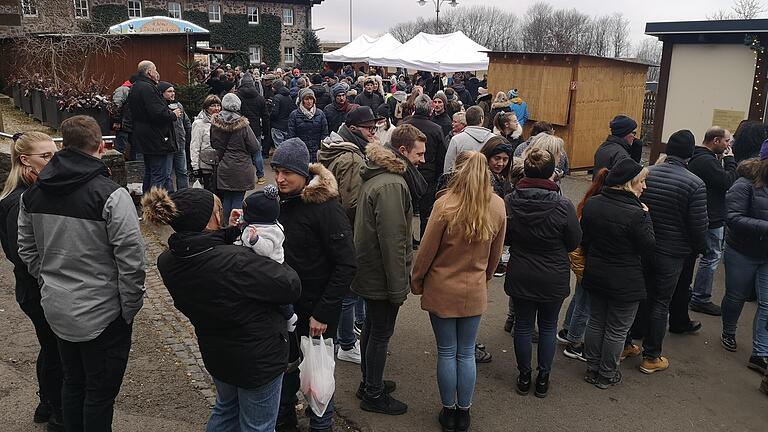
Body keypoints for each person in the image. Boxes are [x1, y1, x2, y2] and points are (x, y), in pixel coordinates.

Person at [17, 115, 146, 432]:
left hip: (58, 308)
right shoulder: (112, 196)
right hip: (104, 312)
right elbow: (132, 261)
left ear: (64, 145)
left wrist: (49, 280)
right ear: (101, 146)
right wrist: (128, 307)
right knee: (99, 394)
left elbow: (27, 249)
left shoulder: (33, 194)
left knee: (73, 383)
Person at [144, 187, 301, 432]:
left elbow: (207, 250)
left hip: (217, 352)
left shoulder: (169, 261)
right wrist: (269, 249)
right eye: (219, 210)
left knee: (227, 409)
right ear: (212, 218)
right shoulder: (236, 261)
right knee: (257, 426)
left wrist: (232, 233)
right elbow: (290, 284)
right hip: (257, 358)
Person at [411, 151, 506, 432]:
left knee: (447, 351)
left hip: (442, 286)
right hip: (474, 287)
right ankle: (464, 412)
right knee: (466, 353)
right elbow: (496, 255)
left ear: (457, 171)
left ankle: (448, 409)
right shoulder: (498, 206)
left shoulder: (445, 204)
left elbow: (426, 251)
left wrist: (417, 281)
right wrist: (483, 279)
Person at [270, 139, 357, 432]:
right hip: (284, 308)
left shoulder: (326, 208)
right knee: (285, 370)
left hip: (315, 310)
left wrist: (324, 311)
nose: (280, 178)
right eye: (276, 171)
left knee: (319, 376)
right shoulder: (278, 202)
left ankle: (321, 425)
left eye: (287, 173)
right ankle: (285, 420)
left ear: (304, 175)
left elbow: (346, 264)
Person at [352, 126, 427, 415]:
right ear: (404, 151)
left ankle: (369, 382)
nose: (422, 159)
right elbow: (394, 240)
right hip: (381, 274)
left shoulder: (380, 176)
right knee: (380, 332)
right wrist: (398, 288)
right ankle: (373, 393)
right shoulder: (392, 184)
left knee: (372, 328)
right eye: (419, 154)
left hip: (371, 269)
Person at [505, 148, 582, 398]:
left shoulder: (511, 200)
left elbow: (505, 237)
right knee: (548, 326)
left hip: (521, 270)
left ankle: (524, 375)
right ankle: (543, 377)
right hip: (553, 273)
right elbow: (573, 241)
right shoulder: (563, 205)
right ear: (551, 174)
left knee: (524, 325)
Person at [0, 132, 64, 430]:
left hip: (36, 286)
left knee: (50, 347)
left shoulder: (28, 194)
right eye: (46, 156)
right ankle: (54, 409)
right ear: (26, 161)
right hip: (36, 288)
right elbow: (22, 254)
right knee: (55, 349)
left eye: (55, 154)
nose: (54, 161)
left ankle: (46, 403)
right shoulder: (20, 201)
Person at [317, 106, 383, 364]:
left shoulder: (334, 146)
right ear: (355, 129)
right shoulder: (352, 158)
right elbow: (352, 203)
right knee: (348, 291)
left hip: (333, 226)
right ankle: (347, 342)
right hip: (347, 230)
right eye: (370, 129)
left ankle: (349, 334)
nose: (373, 133)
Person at [639, 129, 707, 373]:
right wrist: (702, 249)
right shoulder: (695, 183)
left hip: (645, 245)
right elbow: (699, 226)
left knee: (640, 293)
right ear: (690, 154)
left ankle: (628, 341)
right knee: (661, 301)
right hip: (673, 251)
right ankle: (651, 356)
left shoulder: (648, 174)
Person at [581, 159, 654, 389]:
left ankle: (592, 368)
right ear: (628, 183)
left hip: (596, 272)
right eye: (641, 182)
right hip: (625, 280)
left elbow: (585, 241)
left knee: (595, 322)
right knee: (617, 329)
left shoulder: (592, 204)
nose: (644, 187)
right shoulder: (637, 214)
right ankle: (606, 373)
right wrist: (647, 215)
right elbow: (649, 247)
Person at [720, 142, 768, 375]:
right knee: (735, 296)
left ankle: (760, 353)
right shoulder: (744, 184)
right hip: (741, 251)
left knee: (767, 304)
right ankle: (728, 332)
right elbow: (733, 217)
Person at [687, 127, 737, 316]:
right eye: (726, 141)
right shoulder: (707, 161)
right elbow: (728, 182)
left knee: (698, 255)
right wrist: (730, 160)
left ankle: (691, 291)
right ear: (716, 140)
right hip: (711, 216)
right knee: (711, 256)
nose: (728, 146)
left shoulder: (698, 157)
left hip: (703, 214)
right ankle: (700, 297)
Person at [128, 60, 181, 192]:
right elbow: (156, 112)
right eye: (155, 69)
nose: (157, 73)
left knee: (150, 173)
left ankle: (147, 203)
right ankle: (154, 205)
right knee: (159, 174)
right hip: (155, 137)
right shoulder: (148, 88)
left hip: (144, 135)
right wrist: (172, 114)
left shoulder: (135, 86)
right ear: (149, 72)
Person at [402, 94, 446, 242]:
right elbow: (441, 156)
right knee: (426, 213)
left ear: (414, 107)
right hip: (428, 176)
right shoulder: (436, 129)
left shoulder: (405, 126)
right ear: (430, 110)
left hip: (406, 173)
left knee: (406, 209)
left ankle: (409, 240)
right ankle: (424, 240)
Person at [210, 93, 260, 219]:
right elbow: (254, 146)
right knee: (238, 198)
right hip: (241, 167)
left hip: (223, 165)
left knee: (227, 198)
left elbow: (214, 143)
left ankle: (226, 225)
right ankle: (235, 227)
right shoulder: (243, 125)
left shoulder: (215, 124)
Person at [480, 136, 515, 277]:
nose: (501, 163)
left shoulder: (501, 178)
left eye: (505, 159)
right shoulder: (484, 179)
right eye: (497, 158)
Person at [158, 81, 191, 191]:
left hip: (180, 143)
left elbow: (186, 122)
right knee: (167, 174)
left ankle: (184, 193)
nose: (172, 94)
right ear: (162, 93)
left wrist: (187, 135)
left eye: (173, 91)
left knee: (182, 171)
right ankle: (171, 195)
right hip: (168, 145)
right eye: (169, 91)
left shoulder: (178, 105)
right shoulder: (161, 107)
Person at [237, 73, 269, 185]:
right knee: (257, 153)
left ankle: (245, 177)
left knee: (243, 154)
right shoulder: (260, 98)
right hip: (255, 129)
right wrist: (266, 131)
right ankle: (260, 176)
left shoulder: (237, 97)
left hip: (240, 128)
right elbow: (265, 116)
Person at [443, 106, 494, 175]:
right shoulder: (493, 139)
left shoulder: (456, 140)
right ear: (482, 119)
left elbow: (449, 166)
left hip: (462, 182)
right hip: (487, 182)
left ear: (466, 120)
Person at [593, 115, 643, 179]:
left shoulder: (603, 147)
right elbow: (630, 178)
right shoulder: (621, 154)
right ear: (624, 133)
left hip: (598, 187)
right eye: (633, 133)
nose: (634, 137)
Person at [288, 88, 329, 163]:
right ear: (302, 100)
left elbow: (324, 133)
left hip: (316, 150)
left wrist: (322, 148)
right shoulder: (294, 115)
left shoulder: (320, 114)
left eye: (311, 99)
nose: (309, 102)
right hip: (301, 150)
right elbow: (291, 134)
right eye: (306, 99)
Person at [190, 95, 221, 191]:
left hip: (220, 161)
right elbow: (195, 145)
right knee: (209, 190)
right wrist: (195, 166)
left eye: (218, 105)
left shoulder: (221, 120)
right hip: (205, 162)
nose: (216, 108)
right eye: (213, 106)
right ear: (206, 108)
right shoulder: (199, 123)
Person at [271, 80, 296, 150]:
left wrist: (271, 118)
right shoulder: (289, 96)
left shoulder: (276, 97)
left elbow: (274, 113)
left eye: (273, 87)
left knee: (279, 147)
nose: (272, 89)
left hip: (277, 125)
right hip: (286, 124)